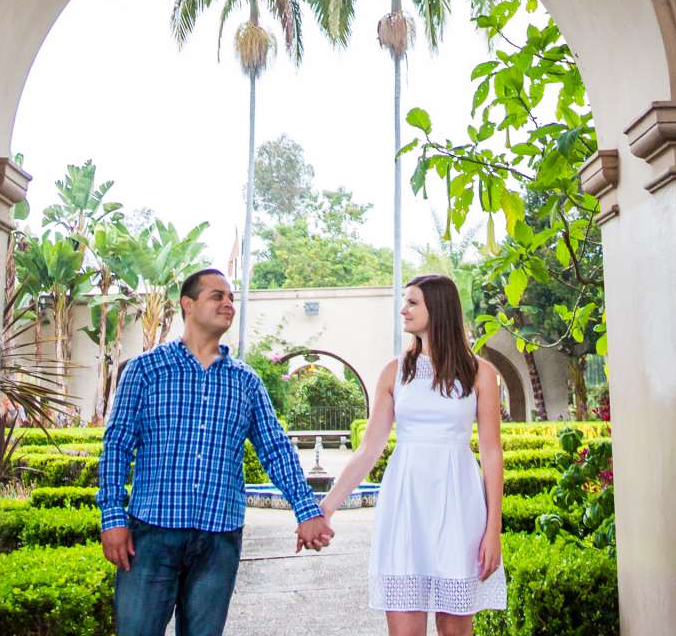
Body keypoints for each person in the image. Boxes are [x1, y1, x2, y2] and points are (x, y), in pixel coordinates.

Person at [98, 267, 334, 636]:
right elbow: (117, 446)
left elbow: (275, 449)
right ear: (188, 305)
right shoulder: (146, 371)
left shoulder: (246, 382)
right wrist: (112, 518)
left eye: (231, 298)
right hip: (152, 535)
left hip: (218, 540)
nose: (228, 304)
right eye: (217, 296)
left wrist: (307, 512)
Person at [321, 273, 507, 633]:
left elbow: (491, 452)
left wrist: (493, 528)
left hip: (458, 505)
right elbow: (369, 448)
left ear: (438, 309)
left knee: (456, 630)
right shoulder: (394, 372)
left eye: (412, 302)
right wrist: (327, 507)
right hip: (405, 507)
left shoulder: (479, 373)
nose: (403, 309)